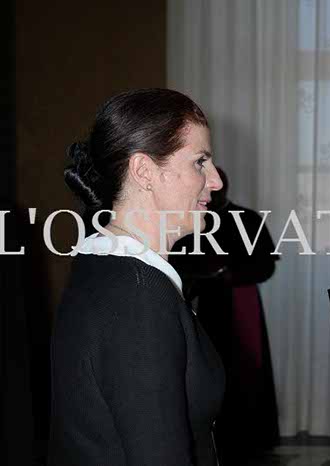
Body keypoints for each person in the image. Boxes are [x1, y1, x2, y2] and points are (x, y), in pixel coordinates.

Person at [50, 88, 225, 465]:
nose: (216, 181)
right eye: (200, 162)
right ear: (144, 171)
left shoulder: (104, 266)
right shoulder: (139, 297)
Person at [170, 166, 280, 464]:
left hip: (239, 303)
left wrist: (228, 273)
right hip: (200, 304)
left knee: (246, 370)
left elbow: (266, 265)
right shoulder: (188, 220)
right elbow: (177, 260)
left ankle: (249, 441)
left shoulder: (247, 219)